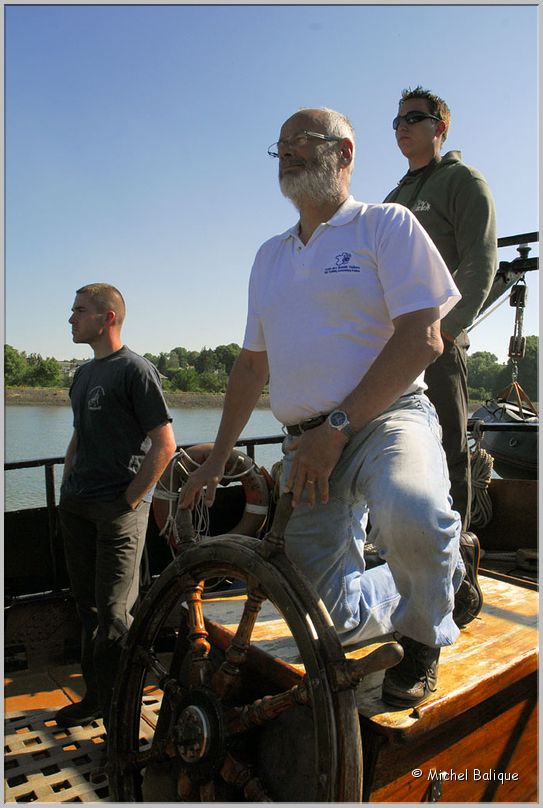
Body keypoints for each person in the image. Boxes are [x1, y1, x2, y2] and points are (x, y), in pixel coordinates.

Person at [180, 107, 481, 709]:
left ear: (344, 154)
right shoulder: (269, 256)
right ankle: (443, 579)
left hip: (388, 418)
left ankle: (424, 639)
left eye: (303, 142)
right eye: (281, 145)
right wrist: (216, 458)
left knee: (413, 511)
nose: (287, 152)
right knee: (323, 617)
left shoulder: (386, 226)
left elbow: (424, 336)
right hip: (304, 441)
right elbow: (250, 366)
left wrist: (339, 426)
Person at [54, 284, 176, 733]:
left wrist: (129, 501)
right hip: (78, 506)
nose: (70, 318)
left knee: (113, 616)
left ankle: (120, 715)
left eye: (79, 311)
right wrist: (69, 479)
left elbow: (164, 445)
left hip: (117, 511)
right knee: (87, 607)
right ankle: (97, 698)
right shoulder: (84, 375)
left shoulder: (136, 371)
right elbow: (80, 434)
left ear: (107, 318)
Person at [383, 87, 497, 530]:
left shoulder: (463, 182)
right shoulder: (395, 196)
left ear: (440, 127)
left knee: (449, 451)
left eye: (413, 118)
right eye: (397, 122)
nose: (402, 127)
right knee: (395, 450)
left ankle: (459, 564)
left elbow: (481, 263)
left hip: (438, 345)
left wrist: (444, 333)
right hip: (391, 350)